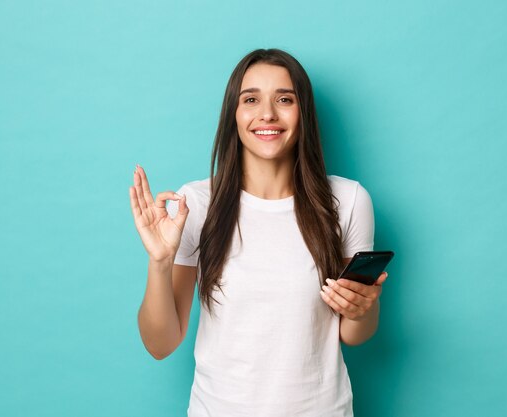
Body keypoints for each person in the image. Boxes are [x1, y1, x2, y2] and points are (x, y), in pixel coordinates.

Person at [129, 48, 388, 417]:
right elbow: (160, 344)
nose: (267, 113)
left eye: (284, 99)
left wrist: (363, 308)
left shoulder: (348, 200)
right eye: (250, 99)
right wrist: (159, 262)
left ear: (304, 113)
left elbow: (352, 334)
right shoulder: (196, 203)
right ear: (233, 115)